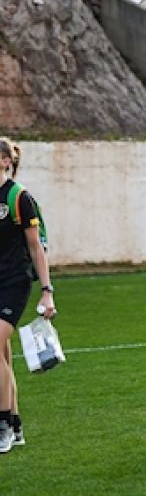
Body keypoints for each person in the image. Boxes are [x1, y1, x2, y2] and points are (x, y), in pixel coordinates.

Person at [0, 137, 56, 454]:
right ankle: (16, 424)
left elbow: (36, 247)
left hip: (14, 282)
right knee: (2, 355)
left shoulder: (19, 198)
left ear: (6, 161)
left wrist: (47, 292)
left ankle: (3, 425)